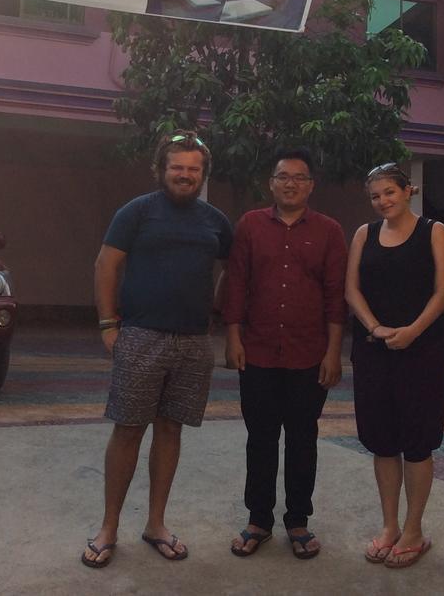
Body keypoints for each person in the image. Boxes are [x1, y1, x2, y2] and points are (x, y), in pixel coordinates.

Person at [81, 130, 233, 569]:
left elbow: (232, 267)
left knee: (171, 430)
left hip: (193, 342)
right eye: (177, 168)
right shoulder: (137, 212)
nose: (185, 175)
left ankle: (155, 524)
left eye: (193, 169)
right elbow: (106, 264)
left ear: (203, 174)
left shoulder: (215, 221)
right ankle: (108, 527)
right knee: (128, 429)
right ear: (162, 170)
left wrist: (217, 308)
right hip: (141, 336)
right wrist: (109, 324)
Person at [222, 148, 347, 560]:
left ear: (311, 186)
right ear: (271, 183)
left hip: (309, 355)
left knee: (302, 439)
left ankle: (298, 520)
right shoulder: (251, 226)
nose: (290, 183)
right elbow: (237, 284)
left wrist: (333, 352)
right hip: (256, 351)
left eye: (299, 177)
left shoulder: (329, 231)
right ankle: (259, 518)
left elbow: (334, 295)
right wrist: (233, 337)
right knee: (260, 438)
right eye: (282, 176)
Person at [344, 162, 444, 571]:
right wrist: (373, 326)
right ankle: (389, 526)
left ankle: (413, 530)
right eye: (375, 196)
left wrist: (411, 331)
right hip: (374, 350)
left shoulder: (434, 231)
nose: (382, 202)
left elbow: (442, 292)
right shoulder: (363, 235)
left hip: (421, 351)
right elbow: (351, 288)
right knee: (383, 441)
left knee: (417, 442)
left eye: (389, 192)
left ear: (409, 190)